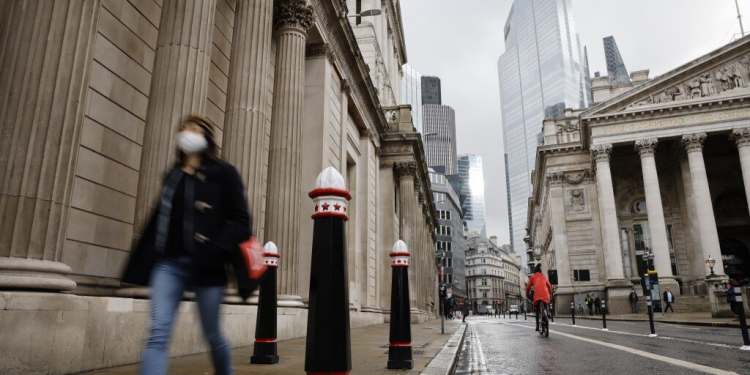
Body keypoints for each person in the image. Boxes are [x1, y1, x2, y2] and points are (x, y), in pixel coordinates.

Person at [122, 114, 259, 375]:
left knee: (212, 334)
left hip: (207, 266)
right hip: (169, 265)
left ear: (206, 137)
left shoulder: (224, 173)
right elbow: (159, 222)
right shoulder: (172, 176)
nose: (189, 133)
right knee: (158, 331)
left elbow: (241, 221)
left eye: (196, 129)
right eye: (185, 129)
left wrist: (216, 249)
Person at [525, 264, 552, 332]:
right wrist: (550, 293)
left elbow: (528, 287)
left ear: (534, 272)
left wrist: (527, 294)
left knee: (537, 311)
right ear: (540, 271)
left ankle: (537, 326)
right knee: (545, 304)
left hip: (537, 296)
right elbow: (549, 285)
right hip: (545, 295)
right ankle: (547, 313)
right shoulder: (544, 276)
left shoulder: (532, 277)